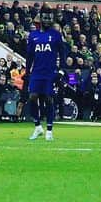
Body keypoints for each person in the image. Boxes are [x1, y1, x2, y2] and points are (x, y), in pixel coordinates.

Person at [26, 8, 63, 141]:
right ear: (40, 19)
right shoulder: (33, 35)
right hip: (36, 72)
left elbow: (63, 53)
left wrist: (61, 70)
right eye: (45, 18)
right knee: (32, 97)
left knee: (48, 98)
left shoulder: (56, 34)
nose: (47, 20)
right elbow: (29, 56)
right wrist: (27, 71)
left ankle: (49, 130)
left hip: (50, 72)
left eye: (49, 18)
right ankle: (37, 126)